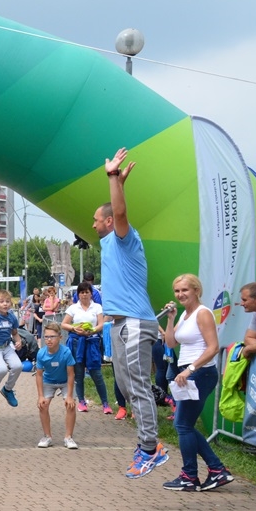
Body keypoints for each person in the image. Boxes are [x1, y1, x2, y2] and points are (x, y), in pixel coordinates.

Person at [93, 147, 167, 479]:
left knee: (136, 384)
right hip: (120, 323)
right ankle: (148, 444)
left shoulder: (125, 238)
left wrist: (113, 177)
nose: (93, 223)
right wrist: (119, 185)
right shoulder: (110, 244)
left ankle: (150, 448)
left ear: (109, 222)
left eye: (97, 219)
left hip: (135, 321)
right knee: (124, 385)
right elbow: (116, 211)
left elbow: (120, 213)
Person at [160, 274, 233, 491]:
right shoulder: (184, 314)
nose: (180, 294)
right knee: (184, 425)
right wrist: (170, 319)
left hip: (201, 373)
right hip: (188, 373)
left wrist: (190, 369)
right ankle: (215, 470)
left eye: (185, 290)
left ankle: (191, 476)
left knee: (182, 424)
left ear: (196, 291)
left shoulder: (203, 313)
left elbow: (213, 348)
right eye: (177, 291)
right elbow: (171, 343)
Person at [61, 282, 111, 414]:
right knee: (78, 374)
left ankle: (105, 403)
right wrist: (74, 328)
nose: (84, 295)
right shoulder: (73, 308)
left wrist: (92, 330)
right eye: (82, 292)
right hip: (76, 343)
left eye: (87, 292)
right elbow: (64, 324)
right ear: (78, 294)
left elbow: (101, 324)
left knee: (96, 373)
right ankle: (82, 402)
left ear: (91, 294)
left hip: (92, 342)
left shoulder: (97, 307)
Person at [34, 321, 78, 450]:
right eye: (46, 337)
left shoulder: (66, 352)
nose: (49, 340)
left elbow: (71, 374)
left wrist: (69, 396)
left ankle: (68, 437)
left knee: (70, 405)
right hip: (49, 381)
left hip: (65, 381)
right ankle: (47, 436)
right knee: (43, 405)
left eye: (52, 337)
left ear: (60, 337)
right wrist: (40, 396)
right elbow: (39, 375)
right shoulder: (41, 353)